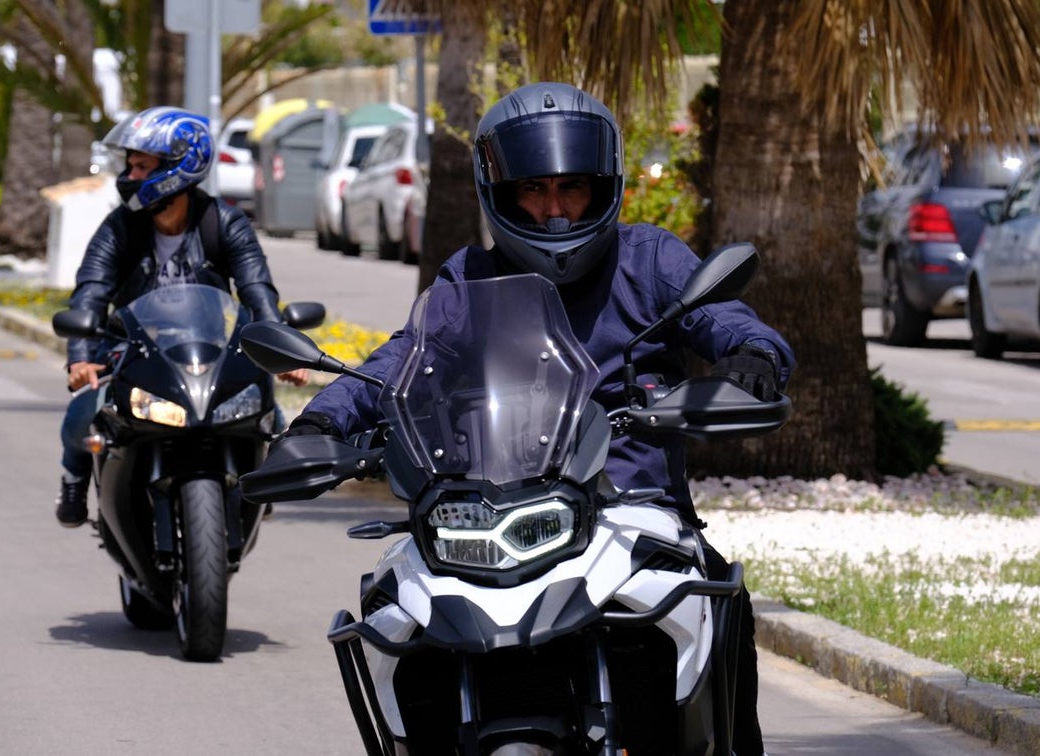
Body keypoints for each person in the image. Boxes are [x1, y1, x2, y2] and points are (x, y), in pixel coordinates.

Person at [282, 83, 793, 754]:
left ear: (602, 186)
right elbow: (399, 362)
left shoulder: (650, 260)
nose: (554, 211)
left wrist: (750, 359)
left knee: (720, 601)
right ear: (500, 193)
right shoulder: (467, 279)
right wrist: (322, 423)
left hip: (632, 513)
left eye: (572, 189)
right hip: (487, 509)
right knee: (390, 608)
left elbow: (730, 321)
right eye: (533, 191)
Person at [55, 106, 307, 528]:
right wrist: (81, 355)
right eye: (130, 166)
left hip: (208, 348)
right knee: (85, 411)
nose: (130, 176)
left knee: (270, 417)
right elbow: (91, 291)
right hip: (131, 349)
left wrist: (282, 352)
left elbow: (257, 291)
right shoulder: (118, 228)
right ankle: (74, 479)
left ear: (177, 168)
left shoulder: (224, 223)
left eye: (141, 166)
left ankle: (253, 491)